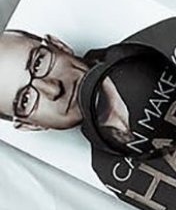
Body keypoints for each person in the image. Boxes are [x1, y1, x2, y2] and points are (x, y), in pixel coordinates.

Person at [0, 29, 133, 149]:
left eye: (38, 63)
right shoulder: (106, 170)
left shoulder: (142, 49)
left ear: (58, 45)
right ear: (30, 125)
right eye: (25, 100)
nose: (54, 90)